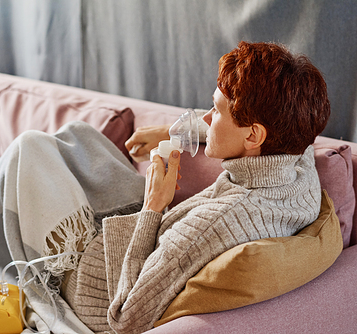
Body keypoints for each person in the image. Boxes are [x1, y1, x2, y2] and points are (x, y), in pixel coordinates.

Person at [61, 41, 331, 334]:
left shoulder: (216, 223)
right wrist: (172, 131)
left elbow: (126, 321)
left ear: (253, 135)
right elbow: (267, 120)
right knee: (77, 136)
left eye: (215, 110)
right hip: (121, 241)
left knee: (30, 150)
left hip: (91, 284)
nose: (205, 118)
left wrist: (154, 204)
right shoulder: (297, 164)